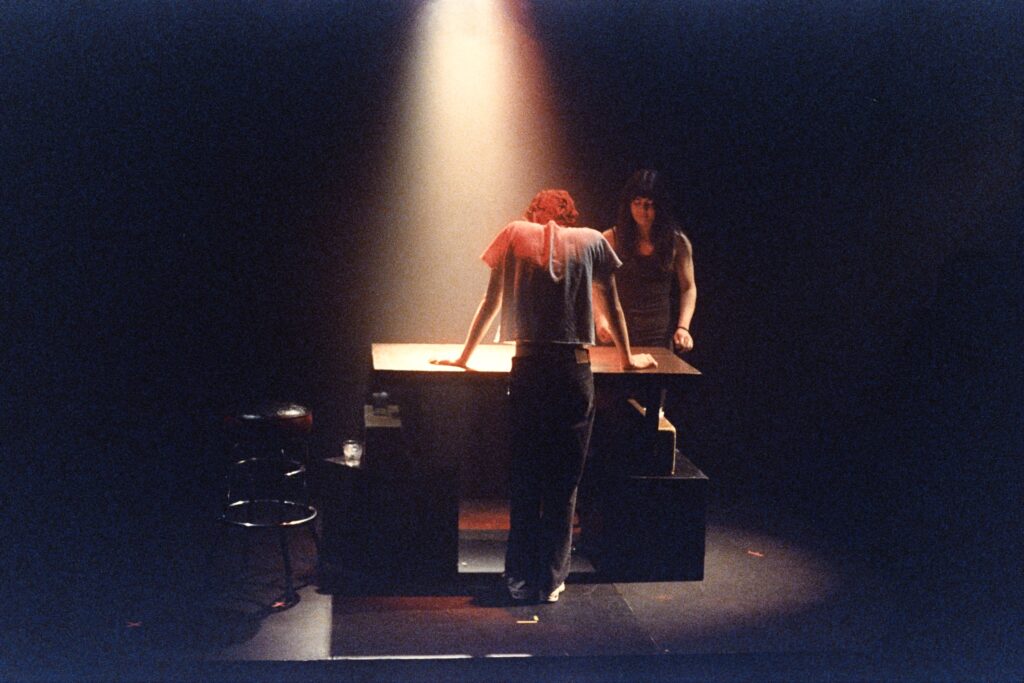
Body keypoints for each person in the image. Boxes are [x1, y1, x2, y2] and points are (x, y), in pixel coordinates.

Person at [432, 189, 656, 604]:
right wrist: (627, 359)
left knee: (526, 476)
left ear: (535, 211)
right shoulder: (590, 239)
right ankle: (550, 579)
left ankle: (519, 578)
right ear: (569, 215)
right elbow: (615, 306)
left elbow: (491, 301)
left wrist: (464, 356)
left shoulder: (516, 233)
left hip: (532, 368)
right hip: (572, 370)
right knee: (563, 481)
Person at [595, 169, 696, 352]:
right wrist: (600, 319)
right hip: (618, 334)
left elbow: (688, 288)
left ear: (660, 206)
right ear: (629, 204)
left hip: (658, 335)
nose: (643, 211)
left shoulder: (677, 243)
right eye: (637, 203)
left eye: (650, 204)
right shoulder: (611, 239)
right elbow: (595, 284)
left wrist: (683, 327)